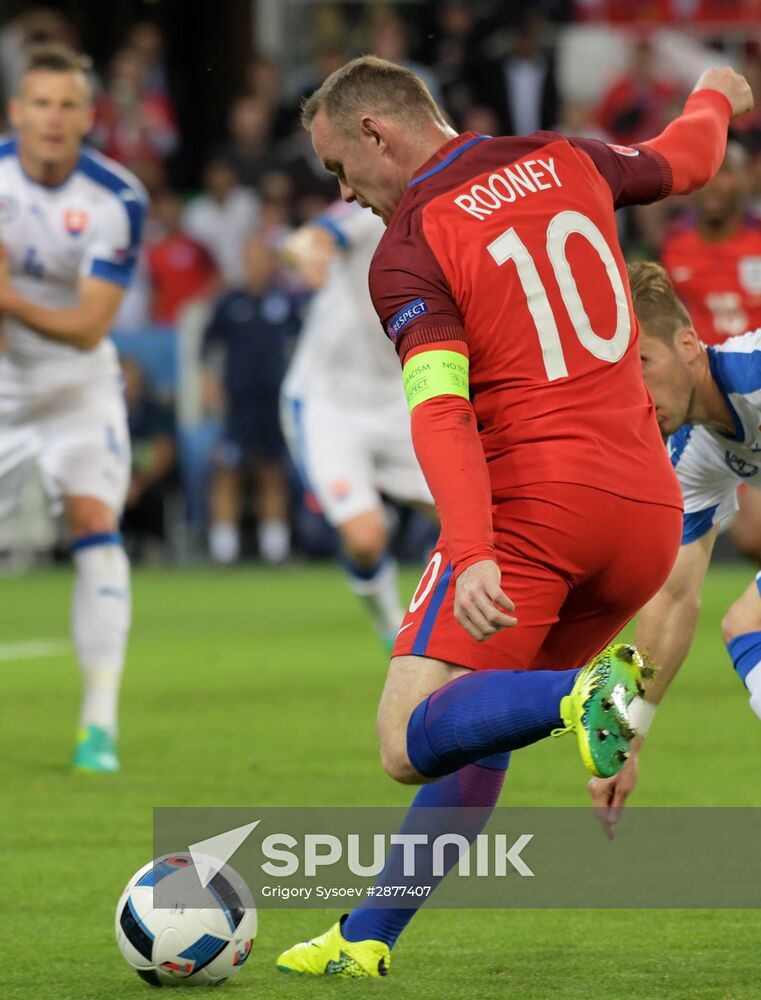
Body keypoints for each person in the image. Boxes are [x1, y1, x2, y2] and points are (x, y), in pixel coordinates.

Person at [275, 55, 751, 979]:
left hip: (537, 511)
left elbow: (440, 409)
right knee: (477, 721)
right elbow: (684, 162)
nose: (346, 193)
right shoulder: (566, 157)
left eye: (340, 168)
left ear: (377, 132)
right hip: (646, 511)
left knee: (406, 737)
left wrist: (471, 544)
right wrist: (713, 95)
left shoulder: (411, 243)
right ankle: (368, 935)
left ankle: (582, 696)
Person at [0, 44, 147, 772]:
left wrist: (6, 298)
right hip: (1, 386)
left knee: (94, 520)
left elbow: (90, 323)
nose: (52, 119)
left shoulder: (115, 199)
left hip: (77, 388)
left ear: (88, 117)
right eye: (40, 103)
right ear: (15, 111)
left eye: (67, 105)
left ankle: (99, 723)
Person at [589, 260, 761, 831]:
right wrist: (627, 737)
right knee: (747, 626)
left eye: (642, 364)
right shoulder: (691, 454)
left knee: (748, 624)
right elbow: (672, 599)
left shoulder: (756, 372)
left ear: (688, 344)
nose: (635, 391)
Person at [281, 200, 436, 649]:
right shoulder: (377, 215)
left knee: (471, 523)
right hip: (328, 403)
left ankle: (446, 622)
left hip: (401, 398)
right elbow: (310, 237)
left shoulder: (465, 230)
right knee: (366, 538)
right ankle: (392, 626)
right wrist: (306, 251)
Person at [660, 142, 761, 562]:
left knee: (752, 538)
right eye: (709, 175)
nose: (716, 185)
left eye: (727, 172)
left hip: (754, 397)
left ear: (746, 180)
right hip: (703, 404)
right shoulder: (676, 247)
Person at [204, 235, 301, 565]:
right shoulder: (229, 302)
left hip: (274, 399)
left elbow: (302, 345)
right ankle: (223, 547)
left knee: (272, 471)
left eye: (261, 258)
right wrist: (209, 384)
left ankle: (275, 546)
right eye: (250, 258)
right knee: (228, 470)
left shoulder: (286, 302)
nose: (256, 265)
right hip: (239, 401)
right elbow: (208, 347)